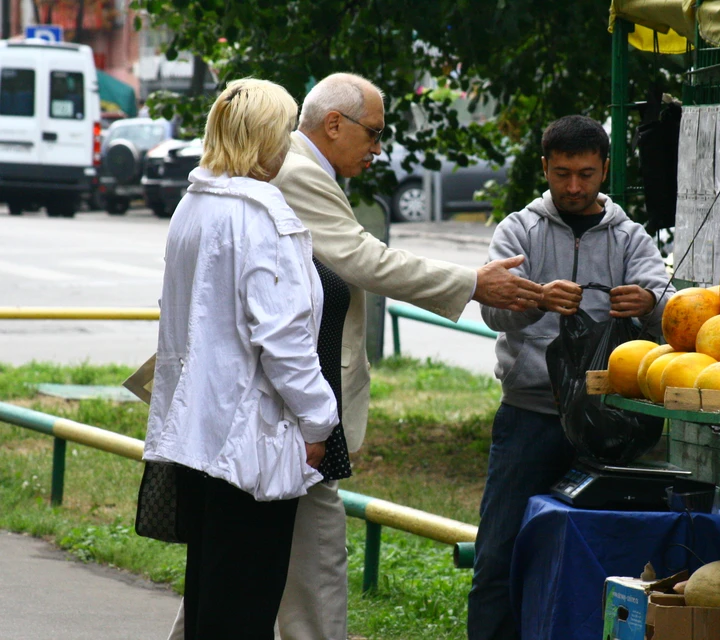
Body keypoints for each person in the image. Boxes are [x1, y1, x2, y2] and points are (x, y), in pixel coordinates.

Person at [167, 72, 543, 640]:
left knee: (231, 571)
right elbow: (293, 324)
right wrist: (320, 420)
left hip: (229, 419)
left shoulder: (206, 200)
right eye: (374, 132)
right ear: (333, 124)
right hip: (270, 420)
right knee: (273, 568)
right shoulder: (274, 190)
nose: (378, 147)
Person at [144, 79, 340, 639]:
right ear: (264, 141)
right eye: (285, 133)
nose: (289, 146)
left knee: (211, 589)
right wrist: (318, 420)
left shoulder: (194, 205)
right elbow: (282, 339)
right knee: (244, 603)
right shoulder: (262, 217)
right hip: (250, 442)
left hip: (197, 435)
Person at [468, 115, 676, 640]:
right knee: (499, 556)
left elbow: (673, 313)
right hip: (530, 415)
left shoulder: (630, 237)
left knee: (605, 557)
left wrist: (650, 303)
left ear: (605, 169)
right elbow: (493, 312)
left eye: (586, 174)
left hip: (613, 426)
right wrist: (534, 298)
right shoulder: (519, 229)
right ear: (545, 168)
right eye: (562, 174)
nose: (574, 187)